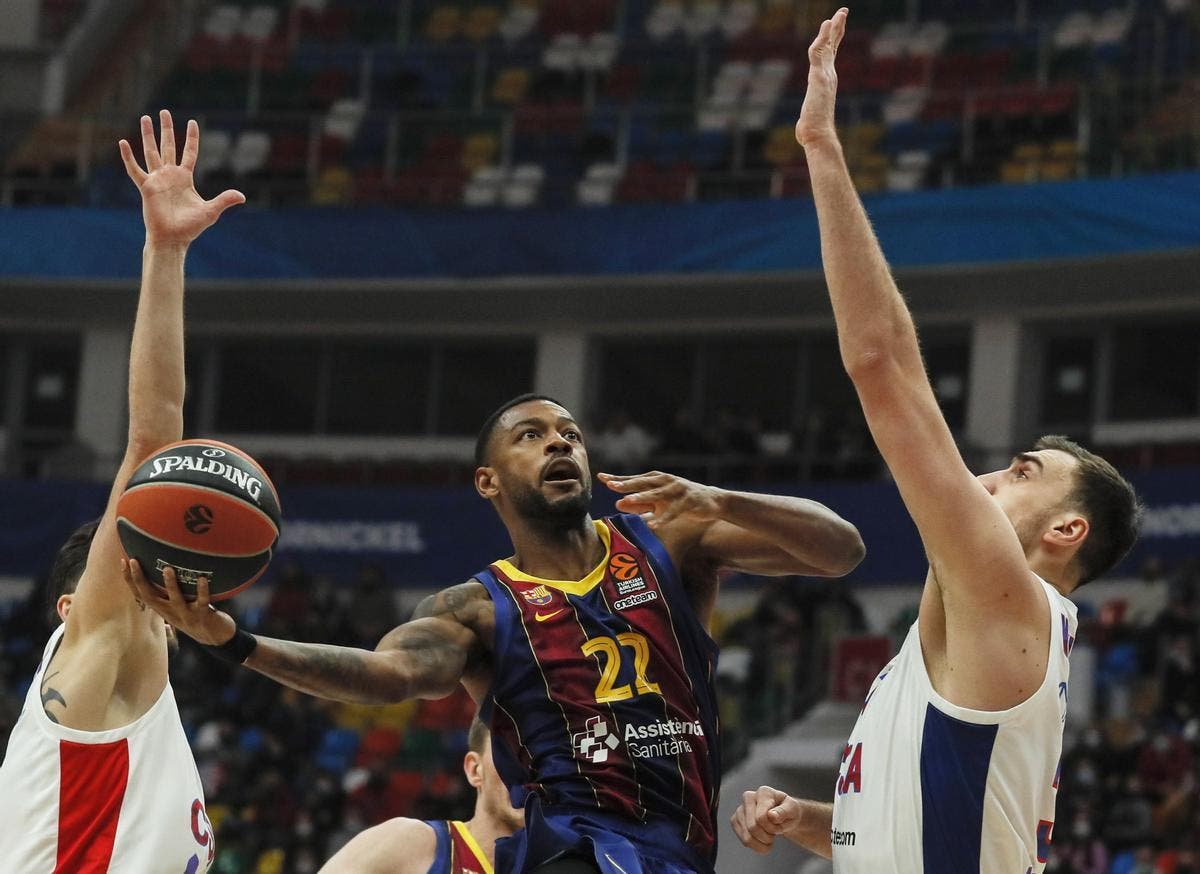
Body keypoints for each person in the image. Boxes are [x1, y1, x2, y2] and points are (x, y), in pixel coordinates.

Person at [730, 10, 1143, 873]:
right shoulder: (988, 635)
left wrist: (821, 148)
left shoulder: (1008, 596)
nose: (989, 475)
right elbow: (928, 826)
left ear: (1065, 531)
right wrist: (812, 817)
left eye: (1024, 471)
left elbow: (881, 366)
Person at [126, 393, 866, 874]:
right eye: (532, 435)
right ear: (489, 481)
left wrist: (723, 495)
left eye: (571, 435)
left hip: (681, 843)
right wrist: (237, 643)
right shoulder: (476, 607)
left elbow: (840, 551)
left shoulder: (672, 537)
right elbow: (387, 675)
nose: (560, 445)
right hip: (574, 844)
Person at [0, 112, 244, 871]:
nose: (153, 583)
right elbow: (152, 446)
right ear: (74, 607)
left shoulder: (140, 712)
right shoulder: (93, 648)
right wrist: (165, 252)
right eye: (129, 574)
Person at [320, 718, 522, 873]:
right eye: (512, 753)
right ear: (475, 770)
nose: (531, 770)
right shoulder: (413, 843)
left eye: (548, 757)